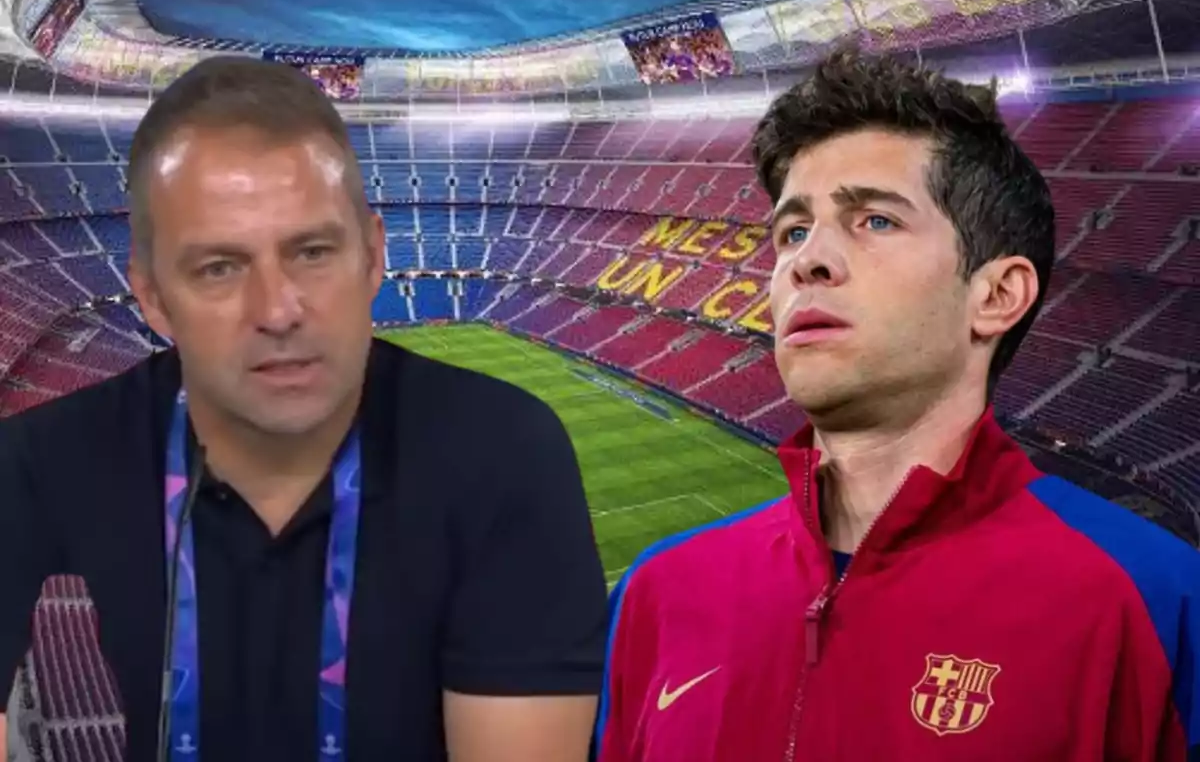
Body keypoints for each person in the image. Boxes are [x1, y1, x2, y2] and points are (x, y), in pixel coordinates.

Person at [596, 49, 1199, 761]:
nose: (807, 260)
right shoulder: (657, 594)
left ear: (997, 295)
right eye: (791, 231)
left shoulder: (1157, 601)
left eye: (874, 221)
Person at [0, 56, 608, 762]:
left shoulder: (503, 450)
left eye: (313, 251)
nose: (278, 310)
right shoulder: (40, 462)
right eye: (219, 268)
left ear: (375, 255)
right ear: (153, 297)